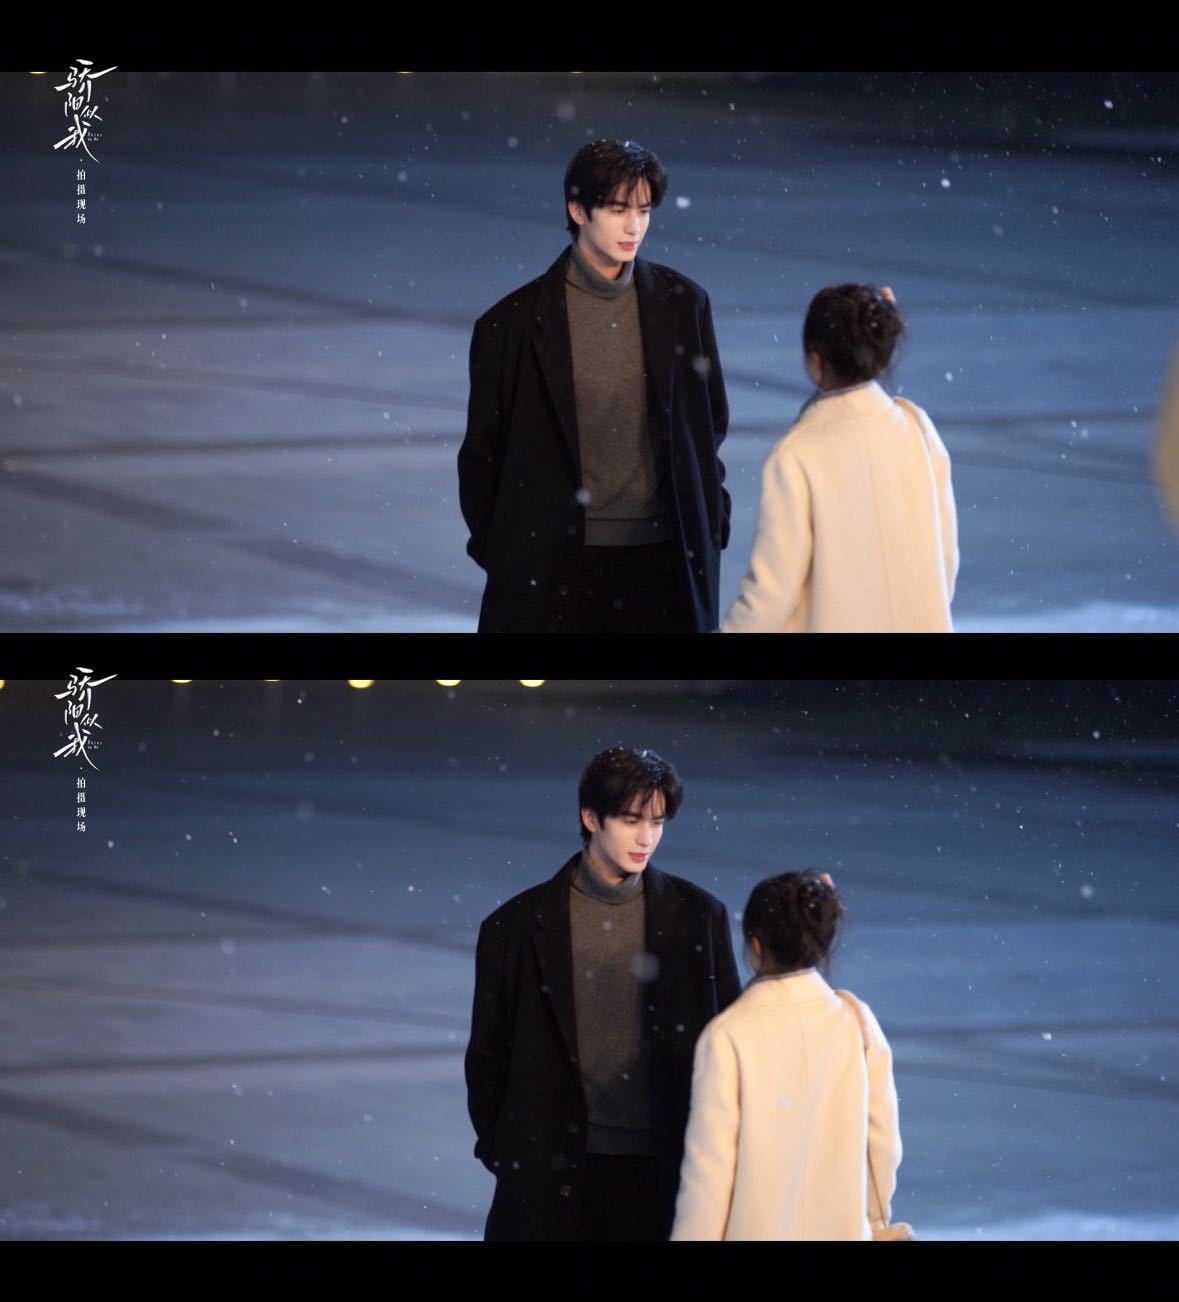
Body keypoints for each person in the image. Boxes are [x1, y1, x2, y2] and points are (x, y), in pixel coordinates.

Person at [464, 746, 741, 1240]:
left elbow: (730, 1045)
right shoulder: (514, 927)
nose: (647, 837)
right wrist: (505, 1150)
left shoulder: (699, 918)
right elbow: (487, 1055)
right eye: (631, 820)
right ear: (590, 818)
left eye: (657, 822)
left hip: (664, 1168)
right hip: (551, 1174)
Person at [458, 138, 731, 633]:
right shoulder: (509, 326)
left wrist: (712, 524)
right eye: (618, 209)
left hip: (664, 563)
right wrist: (503, 551)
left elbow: (707, 432)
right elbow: (482, 456)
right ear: (578, 210)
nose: (634, 227)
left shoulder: (684, 305)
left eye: (644, 210)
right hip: (554, 567)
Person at [670, 870, 905, 1241]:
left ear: (755, 946)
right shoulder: (856, 1022)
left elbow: (709, 1176)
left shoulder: (728, 1035)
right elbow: (882, 1147)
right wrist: (874, 1221)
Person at [722, 283, 959, 632]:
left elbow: (772, 592)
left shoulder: (796, 455)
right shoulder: (917, 427)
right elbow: (945, 560)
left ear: (815, 360)